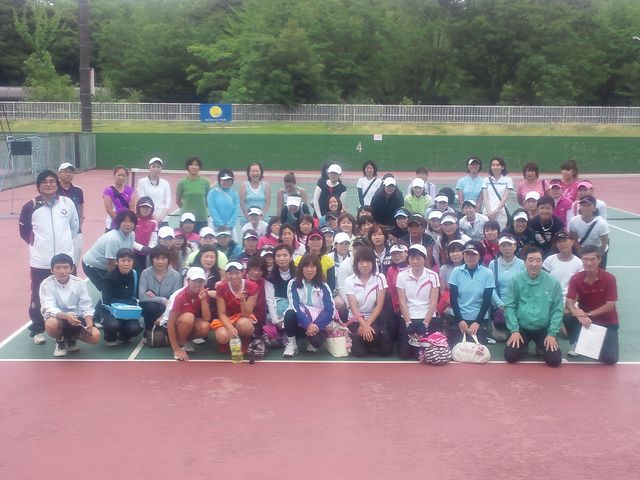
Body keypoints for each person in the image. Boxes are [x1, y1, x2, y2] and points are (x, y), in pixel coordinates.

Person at [19, 169, 80, 344]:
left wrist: (63, 248)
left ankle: (69, 331)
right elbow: (24, 232)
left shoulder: (67, 203)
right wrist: (38, 245)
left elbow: (74, 227)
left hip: (65, 261)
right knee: (38, 296)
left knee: (69, 296)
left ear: (57, 184)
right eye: (44, 182)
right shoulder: (30, 206)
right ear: (38, 186)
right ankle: (37, 330)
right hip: (41, 261)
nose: (48, 184)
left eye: (52, 181)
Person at [504, 247, 563, 367]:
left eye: (538, 260)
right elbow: (509, 306)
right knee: (510, 356)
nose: (534, 264)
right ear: (524, 262)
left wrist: (552, 334)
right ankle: (524, 345)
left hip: (543, 329)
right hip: (521, 328)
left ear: (542, 262)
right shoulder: (515, 280)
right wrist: (514, 331)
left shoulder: (553, 283)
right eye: (530, 260)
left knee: (554, 360)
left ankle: (540, 346)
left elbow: (557, 310)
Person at [564, 245, 619, 364]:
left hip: (607, 322)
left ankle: (594, 344)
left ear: (599, 260)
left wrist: (588, 314)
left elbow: (610, 305)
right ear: (581, 259)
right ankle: (577, 342)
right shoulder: (576, 278)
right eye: (585, 259)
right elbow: (569, 301)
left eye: (592, 259)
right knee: (567, 316)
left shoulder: (609, 278)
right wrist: (577, 312)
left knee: (610, 359)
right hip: (585, 321)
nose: (589, 263)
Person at [41, 253, 100, 357]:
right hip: (59, 318)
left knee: (95, 336)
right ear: (51, 270)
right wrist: (66, 316)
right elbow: (47, 308)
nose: (62, 271)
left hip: (77, 319)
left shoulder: (79, 283)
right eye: (58, 267)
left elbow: (86, 306)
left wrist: (89, 324)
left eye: (65, 267)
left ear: (72, 269)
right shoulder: (46, 284)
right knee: (51, 324)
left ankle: (70, 339)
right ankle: (59, 341)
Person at [82, 210, 137, 321]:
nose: (128, 224)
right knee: (106, 289)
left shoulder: (131, 235)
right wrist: (116, 281)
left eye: (131, 222)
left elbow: (128, 254)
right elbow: (111, 264)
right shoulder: (113, 239)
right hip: (93, 265)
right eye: (125, 221)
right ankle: (96, 317)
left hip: (109, 264)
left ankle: (113, 313)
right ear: (118, 223)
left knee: (112, 289)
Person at [283, 253, 336, 358]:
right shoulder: (293, 283)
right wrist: (308, 324)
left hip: (316, 323)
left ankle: (311, 340)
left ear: (318, 268)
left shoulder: (324, 285)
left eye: (313, 266)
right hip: (300, 322)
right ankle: (292, 344)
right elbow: (295, 306)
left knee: (317, 342)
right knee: (289, 314)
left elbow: (330, 310)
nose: (309, 270)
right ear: (301, 268)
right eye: (306, 266)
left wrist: (315, 326)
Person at [344, 247, 393, 357]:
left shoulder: (380, 278)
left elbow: (379, 306)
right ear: (356, 263)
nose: (365, 265)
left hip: (374, 318)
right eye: (361, 262)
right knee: (359, 353)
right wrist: (363, 324)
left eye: (368, 261)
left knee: (384, 350)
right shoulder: (349, 281)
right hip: (356, 320)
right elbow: (353, 308)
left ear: (373, 262)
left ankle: (373, 343)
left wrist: (366, 325)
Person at [396, 244, 440, 359]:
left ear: (425, 259)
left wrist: (425, 324)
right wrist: (408, 323)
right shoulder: (401, 276)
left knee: (421, 355)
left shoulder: (433, 276)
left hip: (427, 318)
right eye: (412, 258)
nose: (415, 261)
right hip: (408, 318)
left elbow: (433, 302)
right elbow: (402, 302)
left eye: (418, 258)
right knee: (404, 355)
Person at [448, 241, 495, 346]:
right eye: (467, 253)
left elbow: (487, 301)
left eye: (473, 254)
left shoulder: (487, 273)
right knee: (457, 347)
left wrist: (477, 322)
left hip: (479, 319)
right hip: (458, 318)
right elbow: (453, 299)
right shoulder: (456, 271)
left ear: (480, 255)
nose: (470, 257)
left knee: (477, 349)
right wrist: (461, 321)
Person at [163, 266, 212, 361]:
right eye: (194, 281)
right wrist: (176, 349)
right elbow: (170, 323)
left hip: (186, 322)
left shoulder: (203, 293)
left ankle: (183, 341)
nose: (198, 284)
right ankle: (179, 346)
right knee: (189, 317)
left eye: (200, 281)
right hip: (168, 326)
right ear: (188, 281)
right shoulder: (179, 296)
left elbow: (206, 319)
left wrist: (203, 300)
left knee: (205, 327)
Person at [211, 262, 259, 350]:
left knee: (244, 325)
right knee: (222, 337)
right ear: (226, 274)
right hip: (228, 318)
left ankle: (245, 340)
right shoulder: (221, 287)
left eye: (237, 273)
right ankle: (229, 342)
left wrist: (242, 300)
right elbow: (222, 313)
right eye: (230, 273)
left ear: (242, 273)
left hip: (244, 317)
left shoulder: (252, 286)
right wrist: (230, 328)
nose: (234, 276)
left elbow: (246, 314)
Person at [101, 248, 143, 346]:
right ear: (117, 262)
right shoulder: (109, 277)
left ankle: (124, 336)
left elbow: (138, 294)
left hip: (129, 311)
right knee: (113, 325)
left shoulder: (135, 275)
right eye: (123, 260)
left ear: (133, 262)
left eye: (129, 260)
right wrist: (128, 303)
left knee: (136, 329)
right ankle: (110, 336)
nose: (126, 264)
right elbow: (107, 300)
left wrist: (149, 293)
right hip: (112, 311)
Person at [487, 234, 525, 342]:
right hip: (500, 307)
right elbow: (491, 288)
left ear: (515, 246)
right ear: (499, 248)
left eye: (510, 245)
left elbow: (524, 288)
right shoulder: (493, 264)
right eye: (503, 245)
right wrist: (500, 304)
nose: (507, 248)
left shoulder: (522, 264)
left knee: (521, 337)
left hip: (518, 305)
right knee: (501, 337)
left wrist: (514, 305)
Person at [139, 245, 183, 334]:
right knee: (151, 306)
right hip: (151, 307)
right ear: (152, 260)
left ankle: (164, 331)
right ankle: (148, 331)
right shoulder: (145, 273)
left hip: (168, 308)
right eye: (157, 258)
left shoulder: (176, 275)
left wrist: (164, 315)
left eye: (163, 258)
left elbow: (175, 300)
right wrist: (162, 299)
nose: (160, 262)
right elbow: (142, 297)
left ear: (168, 260)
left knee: (166, 308)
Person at [569, 195, 609, 267]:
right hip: (582, 249)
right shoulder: (573, 221)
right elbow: (574, 240)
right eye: (583, 205)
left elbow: (604, 243)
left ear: (594, 208)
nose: (585, 208)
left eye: (588, 205)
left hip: (598, 249)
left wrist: (598, 257)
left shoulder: (602, 224)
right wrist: (581, 253)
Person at [57, 162, 84, 267]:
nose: (68, 174)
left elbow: (80, 208)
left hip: (76, 231)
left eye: (71, 172)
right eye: (65, 172)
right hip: (60, 231)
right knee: (60, 260)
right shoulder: (54, 190)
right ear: (59, 173)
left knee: (74, 260)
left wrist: (79, 224)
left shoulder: (78, 190)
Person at [176, 156, 210, 232]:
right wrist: (186, 210)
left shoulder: (205, 182)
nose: (194, 167)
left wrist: (200, 209)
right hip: (186, 219)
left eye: (196, 165)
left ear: (199, 167)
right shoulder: (182, 183)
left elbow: (208, 200)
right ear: (188, 167)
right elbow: (178, 201)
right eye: (191, 165)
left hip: (201, 218)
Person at [136, 157, 172, 226]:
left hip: (162, 219)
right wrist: (152, 217)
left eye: (158, 167)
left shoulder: (165, 183)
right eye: (153, 167)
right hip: (147, 219)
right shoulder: (142, 182)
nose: (156, 169)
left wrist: (160, 218)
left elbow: (168, 201)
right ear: (149, 167)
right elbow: (142, 200)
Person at [482, 156, 513, 231]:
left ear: (503, 167)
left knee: (500, 233)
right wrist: (489, 213)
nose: (495, 167)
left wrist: (495, 212)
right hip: (487, 213)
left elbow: (504, 198)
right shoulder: (486, 180)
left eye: (498, 165)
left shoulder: (508, 180)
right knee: (487, 233)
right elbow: (486, 198)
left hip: (501, 213)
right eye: (493, 165)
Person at [207, 168, 241, 236]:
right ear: (219, 180)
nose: (226, 182)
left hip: (230, 228)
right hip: (215, 226)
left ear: (232, 181)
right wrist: (221, 225)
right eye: (224, 180)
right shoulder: (212, 193)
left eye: (228, 180)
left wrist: (229, 225)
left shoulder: (235, 194)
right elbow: (212, 210)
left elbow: (236, 211)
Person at [103, 165, 137, 231]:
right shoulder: (108, 191)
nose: (121, 177)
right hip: (112, 224)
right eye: (119, 175)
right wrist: (119, 222)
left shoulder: (130, 190)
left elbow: (132, 208)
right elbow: (109, 209)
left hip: (127, 225)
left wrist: (127, 222)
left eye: (123, 176)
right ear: (114, 175)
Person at [133, 197, 158, 272]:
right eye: (143, 207)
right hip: (134, 253)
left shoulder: (154, 222)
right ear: (139, 208)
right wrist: (141, 248)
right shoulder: (134, 220)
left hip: (148, 254)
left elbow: (154, 238)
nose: (145, 210)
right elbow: (130, 238)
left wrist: (149, 248)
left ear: (151, 209)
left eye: (148, 208)